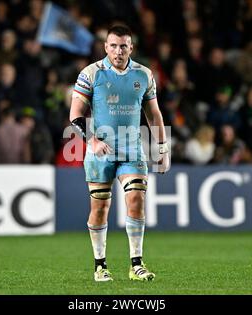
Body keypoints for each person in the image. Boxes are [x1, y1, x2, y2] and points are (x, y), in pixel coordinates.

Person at [69, 25, 170, 282]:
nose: (118, 51)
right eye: (113, 45)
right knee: (100, 207)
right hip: (100, 150)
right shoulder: (91, 74)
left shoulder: (144, 75)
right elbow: (75, 115)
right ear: (105, 47)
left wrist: (162, 147)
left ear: (131, 48)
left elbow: (154, 114)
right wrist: (91, 141)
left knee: (136, 200)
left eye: (123, 45)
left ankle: (136, 264)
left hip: (131, 148)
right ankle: (100, 265)